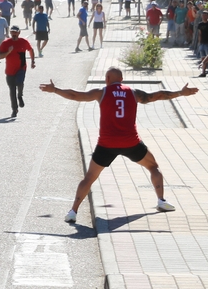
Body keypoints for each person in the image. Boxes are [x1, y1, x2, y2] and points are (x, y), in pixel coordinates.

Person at [41, 69, 196, 224]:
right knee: (153, 166)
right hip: (131, 142)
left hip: (106, 144)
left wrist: (55, 90)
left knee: (89, 178)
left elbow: (75, 95)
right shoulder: (133, 93)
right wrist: (180, 93)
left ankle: (73, 211)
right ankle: (161, 201)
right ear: (121, 79)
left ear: (107, 78)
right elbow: (157, 95)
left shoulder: (101, 92)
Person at [0, 26, 36, 118]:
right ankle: (14, 109)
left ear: (19, 33)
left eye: (15, 32)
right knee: (12, 90)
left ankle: (20, 95)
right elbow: (0, 56)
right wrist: (8, 51)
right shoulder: (5, 43)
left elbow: (31, 50)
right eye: (12, 32)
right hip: (10, 70)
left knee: (19, 83)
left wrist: (32, 61)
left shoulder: (23, 42)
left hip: (21, 68)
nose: (14, 34)